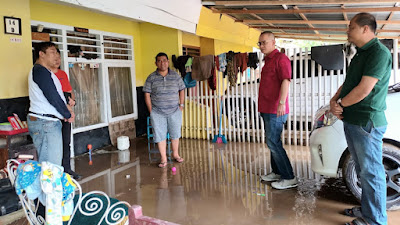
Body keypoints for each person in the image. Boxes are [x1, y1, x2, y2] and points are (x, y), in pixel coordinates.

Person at [330, 13, 392, 225]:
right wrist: (334, 100)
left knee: (372, 173)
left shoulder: (379, 53)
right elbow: (349, 83)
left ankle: (375, 220)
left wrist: (340, 105)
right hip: (354, 120)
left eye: (351, 27)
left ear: (366, 29)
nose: (348, 31)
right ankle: (368, 210)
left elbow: (364, 89)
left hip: (366, 121)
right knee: (363, 170)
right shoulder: (360, 54)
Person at [258, 31, 298, 190]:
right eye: (259, 43)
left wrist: (281, 103)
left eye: (264, 42)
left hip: (276, 109)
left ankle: (289, 177)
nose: (261, 46)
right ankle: (277, 172)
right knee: (272, 142)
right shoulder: (267, 61)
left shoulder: (281, 59)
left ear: (273, 42)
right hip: (266, 108)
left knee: (273, 142)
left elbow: (285, 81)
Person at [28, 41, 74, 166]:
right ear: (41, 54)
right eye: (52, 52)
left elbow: (56, 94)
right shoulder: (40, 71)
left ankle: (52, 185)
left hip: (48, 122)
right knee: (50, 166)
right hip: (45, 123)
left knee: (51, 165)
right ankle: (49, 186)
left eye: (57, 53)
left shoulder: (46, 72)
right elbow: (51, 95)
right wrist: (67, 114)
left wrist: (67, 105)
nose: (56, 56)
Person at [143, 52, 186, 168]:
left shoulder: (175, 76)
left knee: (175, 134)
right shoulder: (151, 77)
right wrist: (151, 110)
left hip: (174, 111)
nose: (162, 63)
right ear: (156, 63)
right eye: (159, 61)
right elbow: (147, 93)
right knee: (159, 135)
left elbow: (182, 89)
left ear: (168, 62)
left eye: (164, 60)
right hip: (157, 112)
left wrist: (181, 105)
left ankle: (176, 154)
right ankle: (163, 158)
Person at [50, 49, 81, 180]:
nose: (57, 60)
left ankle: (67, 170)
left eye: (59, 58)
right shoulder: (44, 75)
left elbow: (69, 90)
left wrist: (73, 101)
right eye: (54, 57)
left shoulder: (62, 73)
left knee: (66, 142)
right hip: (52, 114)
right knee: (54, 144)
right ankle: (54, 174)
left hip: (66, 111)